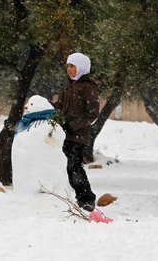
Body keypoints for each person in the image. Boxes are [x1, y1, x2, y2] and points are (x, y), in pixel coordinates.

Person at [53, 52, 99, 212]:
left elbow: (92, 113)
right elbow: (60, 105)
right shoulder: (67, 85)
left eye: (72, 66)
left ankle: (87, 199)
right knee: (64, 165)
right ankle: (64, 196)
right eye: (68, 66)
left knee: (74, 166)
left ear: (81, 67)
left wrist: (73, 125)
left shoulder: (89, 86)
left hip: (78, 135)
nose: (69, 69)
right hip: (63, 132)